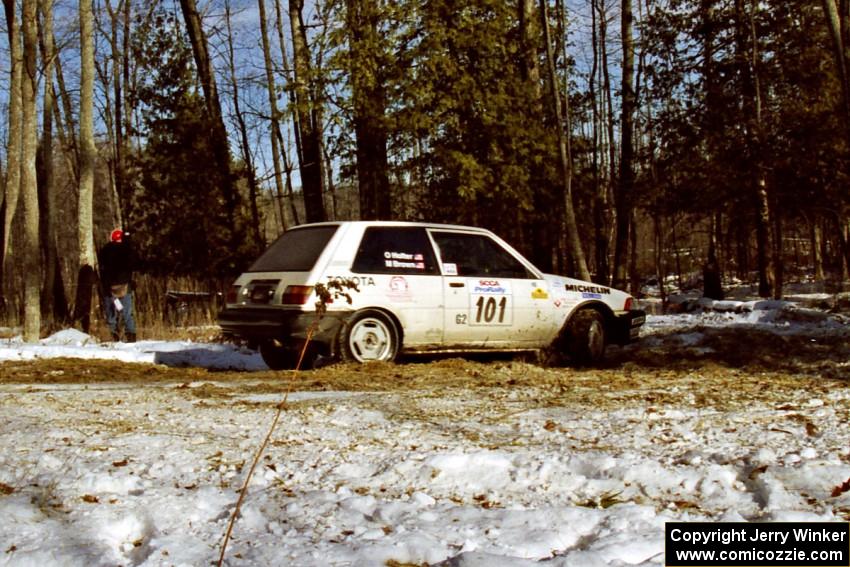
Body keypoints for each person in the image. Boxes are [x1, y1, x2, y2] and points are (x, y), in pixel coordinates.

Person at [99, 228, 138, 342]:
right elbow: (134, 264)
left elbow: (102, 267)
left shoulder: (105, 250)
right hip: (124, 286)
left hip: (109, 287)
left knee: (111, 313)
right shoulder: (127, 250)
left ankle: (113, 336)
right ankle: (131, 336)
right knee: (127, 312)